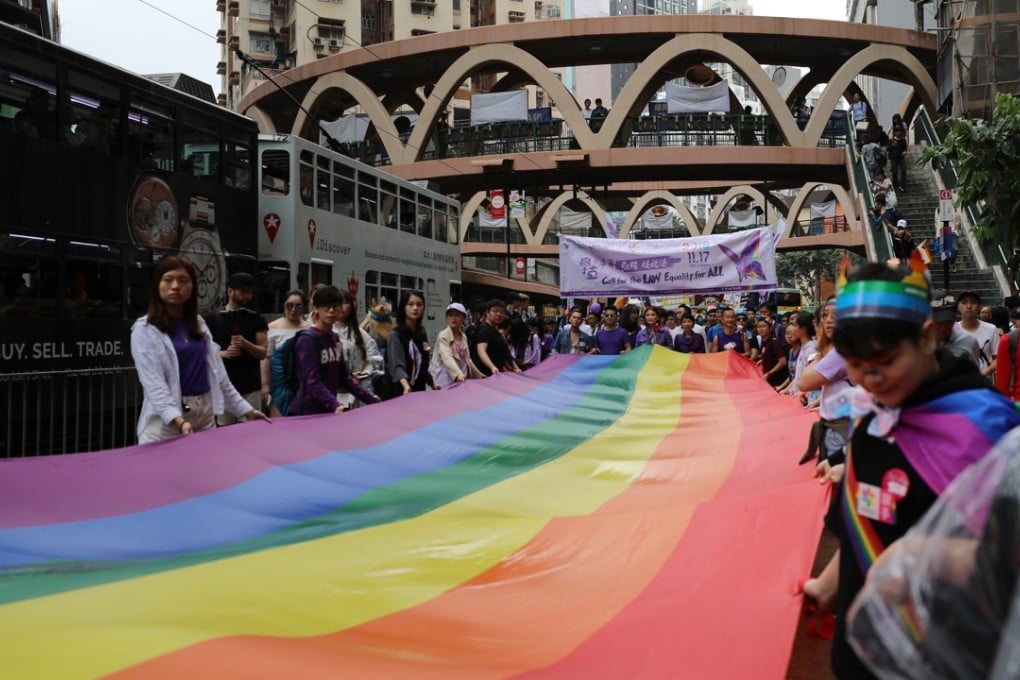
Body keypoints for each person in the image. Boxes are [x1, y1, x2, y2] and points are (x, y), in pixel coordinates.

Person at [800, 256, 1020, 680]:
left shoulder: (987, 429)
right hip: (864, 652)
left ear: (924, 338)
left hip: (943, 658)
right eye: (856, 364)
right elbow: (870, 521)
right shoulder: (873, 416)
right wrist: (826, 587)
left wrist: (928, 555)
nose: (871, 379)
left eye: (883, 360)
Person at [131, 256, 268, 443]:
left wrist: (247, 411)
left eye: (183, 280)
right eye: (168, 279)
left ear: (193, 288)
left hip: (204, 418)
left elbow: (220, 378)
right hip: (166, 424)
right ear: (157, 286)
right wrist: (178, 421)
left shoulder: (199, 324)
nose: (175, 286)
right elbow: (154, 384)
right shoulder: (144, 329)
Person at [290, 285, 380, 415]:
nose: (331, 310)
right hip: (307, 412)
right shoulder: (307, 340)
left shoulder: (335, 339)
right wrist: (334, 404)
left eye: (335, 306)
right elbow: (312, 380)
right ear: (315, 308)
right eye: (326, 306)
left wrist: (369, 398)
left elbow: (344, 377)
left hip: (329, 411)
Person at [203, 272, 268, 425]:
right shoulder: (212, 319)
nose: (247, 296)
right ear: (230, 291)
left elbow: (263, 352)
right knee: (225, 434)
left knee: (251, 433)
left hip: (251, 387)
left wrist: (246, 344)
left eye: (250, 293)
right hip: (224, 387)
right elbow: (203, 353)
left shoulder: (256, 318)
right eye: (243, 292)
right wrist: (223, 354)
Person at [261, 289, 309, 417]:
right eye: (290, 305)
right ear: (284, 305)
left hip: (303, 383)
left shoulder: (309, 328)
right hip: (279, 383)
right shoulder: (272, 327)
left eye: (298, 306)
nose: (293, 309)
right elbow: (265, 357)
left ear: (304, 307)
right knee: (279, 423)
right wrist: (265, 385)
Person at [334, 290, 383, 408]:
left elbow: (373, 355)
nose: (341, 307)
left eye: (345, 302)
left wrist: (364, 372)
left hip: (358, 388)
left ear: (352, 306)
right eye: (337, 303)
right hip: (334, 391)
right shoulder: (327, 332)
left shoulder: (359, 333)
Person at [386, 290, 438, 396]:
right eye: (410, 304)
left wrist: (432, 383)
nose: (415, 308)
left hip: (419, 389)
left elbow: (423, 364)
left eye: (419, 305)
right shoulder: (395, 334)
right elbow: (397, 365)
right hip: (400, 390)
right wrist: (406, 386)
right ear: (403, 307)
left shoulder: (422, 333)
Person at [430, 302, 484, 387]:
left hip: (461, 378)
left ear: (463, 318)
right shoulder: (443, 335)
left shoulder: (463, 336)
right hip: (444, 378)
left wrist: (480, 376)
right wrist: (458, 374)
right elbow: (447, 357)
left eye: (457, 315)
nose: (454, 318)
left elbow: (468, 360)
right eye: (450, 315)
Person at [929, 289, 981, 366]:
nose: (943, 328)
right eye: (939, 322)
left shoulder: (969, 341)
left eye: (948, 321)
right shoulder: (916, 341)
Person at [955, 289, 998, 378]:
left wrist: (986, 371)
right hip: (959, 382)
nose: (969, 306)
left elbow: (997, 358)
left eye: (973, 302)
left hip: (984, 382)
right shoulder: (952, 330)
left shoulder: (991, 329)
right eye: (964, 303)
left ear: (979, 306)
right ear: (958, 307)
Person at [471, 298, 521, 375]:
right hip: (485, 376)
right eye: (495, 311)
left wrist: (515, 368)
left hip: (496, 375)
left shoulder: (496, 333)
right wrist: (492, 367)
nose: (498, 314)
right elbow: (481, 351)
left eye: (501, 312)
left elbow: (504, 354)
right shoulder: (484, 330)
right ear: (487, 312)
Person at [756, 317, 788, 387]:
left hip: (777, 380)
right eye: (759, 327)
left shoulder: (773, 342)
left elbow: (783, 362)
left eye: (764, 326)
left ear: (770, 328)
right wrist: (762, 360)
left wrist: (769, 373)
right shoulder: (764, 341)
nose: (761, 329)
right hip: (769, 379)